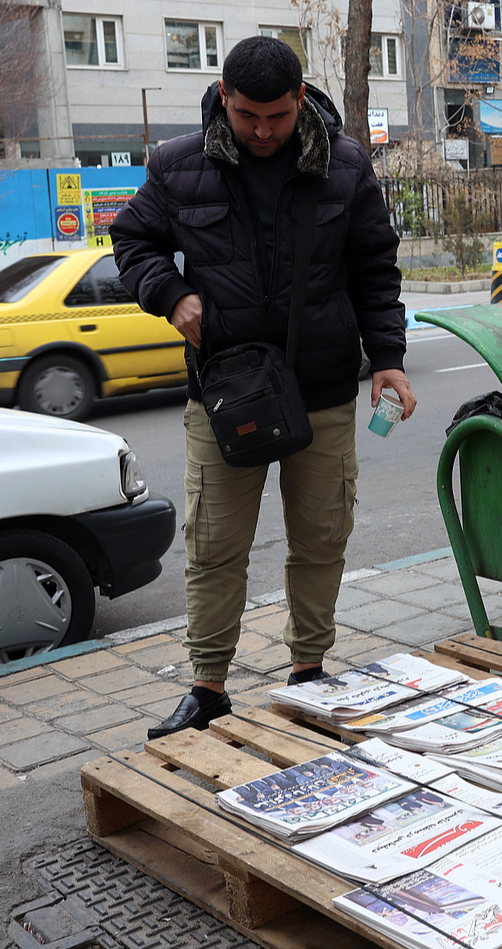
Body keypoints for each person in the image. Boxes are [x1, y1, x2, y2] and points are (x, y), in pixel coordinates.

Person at [111, 36, 416, 740]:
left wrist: (390, 359)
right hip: (226, 395)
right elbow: (132, 243)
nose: (263, 131)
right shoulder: (179, 166)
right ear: (225, 97)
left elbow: (375, 269)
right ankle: (208, 685)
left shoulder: (343, 167)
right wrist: (171, 295)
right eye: (249, 115)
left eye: (277, 117)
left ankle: (309, 672)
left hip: (326, 387)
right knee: (215, 543)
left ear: (300, 100)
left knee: (321, 536)